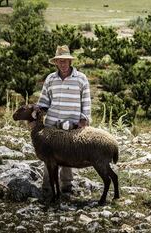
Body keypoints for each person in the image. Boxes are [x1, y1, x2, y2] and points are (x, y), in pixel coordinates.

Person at [37, 45, 92, 193]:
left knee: (67, 154)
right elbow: (43, 101)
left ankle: (67, 185)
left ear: (70, 61)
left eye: (65, 61)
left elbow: (86, 101)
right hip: (52, 125)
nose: (63, 64)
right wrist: (37, 112)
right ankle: (47, 186)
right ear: (56, 62)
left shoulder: (81, 79)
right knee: (50, 156)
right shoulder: (50, 79)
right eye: (60, 61)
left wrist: (84, 119)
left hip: (72, 124)